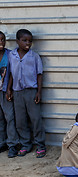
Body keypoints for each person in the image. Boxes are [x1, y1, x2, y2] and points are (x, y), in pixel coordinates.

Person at [6, 29, 46, 158]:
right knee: (20, 121)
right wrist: (9, 89)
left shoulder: (34, 56)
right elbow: (11, 73)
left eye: (30, 41)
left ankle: (40, 145)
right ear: (17, 41)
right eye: (24, 40)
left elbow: (39, 75)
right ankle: (26, 144)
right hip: (17, 92)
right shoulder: (12, 55)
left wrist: (39, 92)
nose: (27, 43)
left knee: (35, 119)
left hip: (31, 91)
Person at [0, 31, 19, 158]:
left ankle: (12, 145)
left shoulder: (10, 54)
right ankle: (2, 142)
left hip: (5, 91)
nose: (1, 42)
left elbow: (12, 73)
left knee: (10, 117)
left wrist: (9, 89)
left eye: (3, 39)